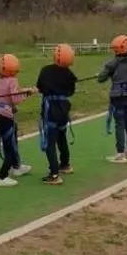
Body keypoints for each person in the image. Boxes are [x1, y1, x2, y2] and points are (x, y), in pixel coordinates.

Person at [0, 54, 38, 187]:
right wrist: (28, 94)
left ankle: (17, 166)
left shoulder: (0, 78)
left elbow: (14, 92)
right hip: (5, 117)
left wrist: (26, 90)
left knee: (12, 141)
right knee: (10, 147)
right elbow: (16, 99)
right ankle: (2, 176)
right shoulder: (12, 80)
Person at [36, 44, 78, 185]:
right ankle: (65, 164)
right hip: (64, 108)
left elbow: (40, 87)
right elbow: (71, 91)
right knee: (62, 137)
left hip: (51, 109)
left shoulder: (46, 71)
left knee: (50, 142)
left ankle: (54, 174)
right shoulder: (70, 74)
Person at [98, 34, 127, 163]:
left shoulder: (112, 64)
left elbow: (101, 79)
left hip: (118, 97)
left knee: (119, 124)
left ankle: (120, 153)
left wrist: (106, 73)